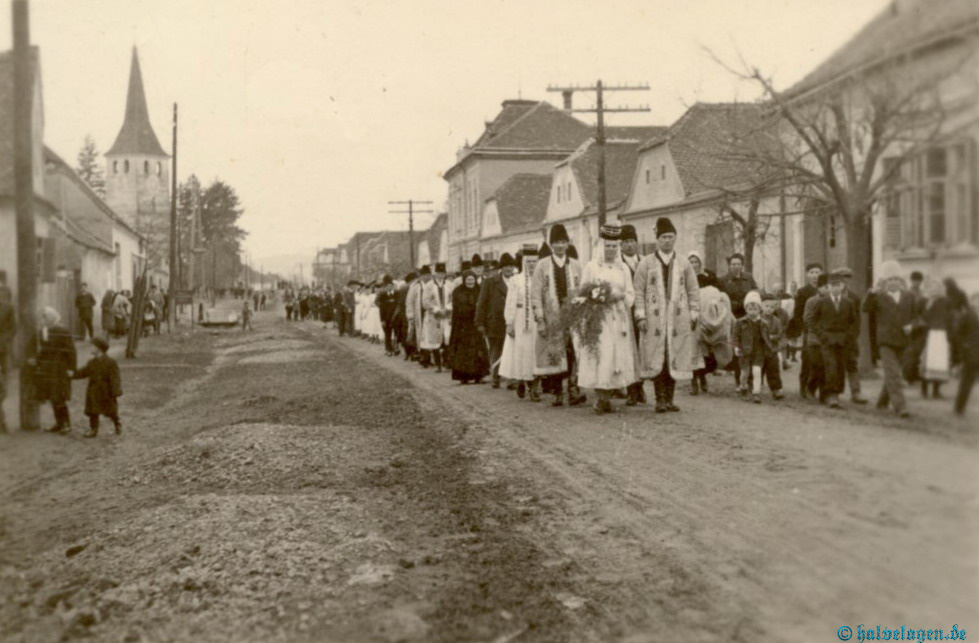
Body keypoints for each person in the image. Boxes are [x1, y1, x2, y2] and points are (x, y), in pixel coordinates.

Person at [634, 217, 701, 413]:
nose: (667, 241)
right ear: (657, 239)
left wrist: (694, 312)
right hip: (654, 319)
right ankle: (660, 398)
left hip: (677, 318)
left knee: (675, 355)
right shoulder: (646, 263)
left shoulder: (684, 263)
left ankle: (670, 398)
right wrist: (641, 315)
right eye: (663, 237)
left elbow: (693, 290)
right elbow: (638, 291)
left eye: (670, 237)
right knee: (658, 357)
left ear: (675, 238)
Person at [576, 224, 639, 414]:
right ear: (601, 247)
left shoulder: (623, 268)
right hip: (599, 316)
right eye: (607, 246)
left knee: (616, 354)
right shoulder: (592, 267)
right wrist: (599, 296)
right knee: (602, 353)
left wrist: (621, 296)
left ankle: (609, 395)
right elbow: (583, 291)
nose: (611, 250)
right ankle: (600, 396)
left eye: (614, 246)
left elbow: (630, 291)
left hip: (619, 316)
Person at [532, 224, 585, 407]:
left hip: (572, 317)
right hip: (552, 317)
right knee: (554, 353)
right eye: (556, 242)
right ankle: (556, 391)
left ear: (568, 244)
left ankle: (573, 388)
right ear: (551, 244)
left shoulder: (576, 265)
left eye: (563, 242)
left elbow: (583, 290)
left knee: (572, 352)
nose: (560, 246)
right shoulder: (542, 266)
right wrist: (540, 319)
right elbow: (536, 294)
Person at [862, 260, 916, 418]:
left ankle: (882, 402)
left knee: (894, 372)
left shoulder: (909, 296)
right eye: (890, 279)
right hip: (885, 342)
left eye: (896, 279)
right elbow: (866, 308)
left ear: (901, 281)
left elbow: (917, 316)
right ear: (885, 282)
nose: (893, 282)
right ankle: (901, 406)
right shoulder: (879, 296)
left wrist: (912, 325)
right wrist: (873, 291)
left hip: (903, 341)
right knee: (893, 373)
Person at [809, 271, 860, 409]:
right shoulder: (822, 302)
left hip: (843, 341)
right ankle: (831, 395)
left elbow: (854, 323)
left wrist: (849, 336)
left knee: (840, 367)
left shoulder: (848, 303)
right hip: (827, 340)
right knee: (830, 366)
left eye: (838, 285)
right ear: (828, 287)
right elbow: (812, 321)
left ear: (843, 286)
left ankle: (836, 392)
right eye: (832, 285)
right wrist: (822, 335)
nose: (836, 288)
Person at [500, 246, 540, 400]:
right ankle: (522, 380)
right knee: (522, 351)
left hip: (537, 320)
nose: (532, 264)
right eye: (529, 262)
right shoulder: (516, 280)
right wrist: (509, 322)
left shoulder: (542, 278)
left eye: (534, 261)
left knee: (535, 352)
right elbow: (510, 302)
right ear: (524, 262)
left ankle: (534, 387)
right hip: (520, 319)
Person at [34, 307, 77, 433]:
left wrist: (71, 368)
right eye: (42, 318)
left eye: (45, 318)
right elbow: (44, 350)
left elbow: (71, 351)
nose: (43, 320)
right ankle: (59, 423)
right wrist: (37, 360)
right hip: (49, 369)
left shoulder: (62, 330)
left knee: (59, 396)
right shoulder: (43, 331)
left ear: (51, 317)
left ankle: (66, 424)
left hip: (60, 369)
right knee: (52, 396)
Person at [476, 253, 514, 389]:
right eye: (506, 266)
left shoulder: (517, 281)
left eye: (511, 266)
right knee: (496, 350)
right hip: (495, 322)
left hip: (512, 322)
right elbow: (481, 303)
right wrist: (480, 323)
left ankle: (511, 380)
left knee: (511, 350)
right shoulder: (490, 282)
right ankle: (495, 377)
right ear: (501, 268)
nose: (508, 269)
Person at [71, 337, 122, 437]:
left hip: (106, 391)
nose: (90, 348)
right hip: (93, 390)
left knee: (111, 410)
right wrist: (72, 374)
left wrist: (115, 391)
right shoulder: (91, 362)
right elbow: (83, 372)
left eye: (92, 346)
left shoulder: (111, 362)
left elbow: (115, 378)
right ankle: (93, 429)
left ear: (99, 348)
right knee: (93, 411)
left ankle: (117, 424)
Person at [734, 291, 778, 403]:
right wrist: (736, 347)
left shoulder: (764, 323)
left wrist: (769, 347)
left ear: (759, 309)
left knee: (757, 372)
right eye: (750, 309)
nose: (752, 312)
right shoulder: (740, 322)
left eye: (755, 309)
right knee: (745, 373)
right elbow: (735, 337)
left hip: (758, 351)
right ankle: (743, 387)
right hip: (745, 352)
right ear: (746, 309)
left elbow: (766, 338)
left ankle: (756, 392)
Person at [620, 225, 646, 406]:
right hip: (625, 312)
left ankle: (640, 386)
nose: (629, 245)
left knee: (643, 349)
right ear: (621, 245)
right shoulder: (618, 264)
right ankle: (631, 389)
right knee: (628, 350)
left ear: (636, 243)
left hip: (644, 311)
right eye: (626, 242)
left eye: (632, 241)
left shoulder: (644, 262)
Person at [788, 263, 823, 399]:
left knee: (821, 360)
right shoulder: (802, 292)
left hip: (823, 330)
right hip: (808, 331)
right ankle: (803, 387)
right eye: (812, 272)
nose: (815, 275)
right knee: (808, 360)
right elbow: (798, 314)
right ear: (807, 274)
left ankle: (815, 388)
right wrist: (803, 329)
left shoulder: (825, 290)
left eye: (817, 272)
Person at [834, 268, 868, 404]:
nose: (844, 281)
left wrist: (852, 336)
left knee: (852, 364)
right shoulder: (829, 296)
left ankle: (856, 392)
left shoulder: (854, 298)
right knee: (835, 365)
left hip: (849, 338)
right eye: (842, 278)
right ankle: (834, 393)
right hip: (833, 336)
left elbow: (856, 321)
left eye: (847, 278)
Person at [448, 271, 488, 383]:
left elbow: (484, 304)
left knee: (478, 351)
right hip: (463, 327)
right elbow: (459, 308)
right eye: (468, 280)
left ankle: (479, 376)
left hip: (476, 326)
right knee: (463, 352)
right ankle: (463, 377)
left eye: (472, 280)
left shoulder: (479, 290)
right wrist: (474, 309)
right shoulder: (458, 291)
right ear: (464, 280)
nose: (470, 282)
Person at [919, 278, 953, 399]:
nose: (934, 290)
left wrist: (949, 335)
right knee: (927, 361)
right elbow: (921, 317)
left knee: (939, 362)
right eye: (931, 287)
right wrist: (929, 304)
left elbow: (950, 318)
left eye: (936, 287)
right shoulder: (924, 301)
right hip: (928, 334)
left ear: (940, 288)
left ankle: (936, 390)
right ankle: (924, 390)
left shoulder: (946, 301)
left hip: (942, 334)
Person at [802, 274, 830, 401]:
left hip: (828, 340)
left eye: (829, 287)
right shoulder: (811, 301)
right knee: (817, 366)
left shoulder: (832, 302)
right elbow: (807, 319)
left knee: (827, 367)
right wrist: (820, 331)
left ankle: (824, 394)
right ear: (819, 288)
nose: (828, 290)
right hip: (814, 339)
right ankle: (810, 388)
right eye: (825, 287)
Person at [953, 291, 979, 416]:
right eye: (977, 300)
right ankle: (959, 407)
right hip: (971, 354)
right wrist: (964, 347)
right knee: (967, 382)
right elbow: (958, 334)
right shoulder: (968, 315)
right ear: (972, 302)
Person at [420, 264, 448, 372]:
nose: (440, 275)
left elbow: (454, 298)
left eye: (442, 273)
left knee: (447, 338)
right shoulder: (429, 286)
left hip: (447, 315)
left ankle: (447, 361)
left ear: (445, 274)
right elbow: (425, 302)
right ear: (435, 274)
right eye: (438, 273)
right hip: (434, 316)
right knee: (435, 340)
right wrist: (436, 310)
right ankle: (438, 364)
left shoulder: (449, 285)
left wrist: (448, 308)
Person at [719, 253, 757, 320]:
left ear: (742, 266)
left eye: (739, 264)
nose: (736, 267)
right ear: (729, 266)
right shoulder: (722, 281)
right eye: (733, 264)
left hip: (748, 314)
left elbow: (755, 291)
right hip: (731, 315)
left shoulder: (748, 278)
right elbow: (722, 299)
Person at [0, 288, 14, 432]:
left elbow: (12, 329)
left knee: (3, 388)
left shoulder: (8, 308)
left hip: (2, 351)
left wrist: (4, 340)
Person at [377, 275, 399, 356]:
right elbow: (381, 309)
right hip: (386, 318)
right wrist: (382, 320)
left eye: (390, 285)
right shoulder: (383, 296)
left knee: (396, 333)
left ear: (393, 286)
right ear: (385, 287)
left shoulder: (397, 294)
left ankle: (396, 348)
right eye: (387, 286)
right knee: (388, 334)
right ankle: (388, 349)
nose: (389, 287)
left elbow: (398, 306)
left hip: (395, 318)